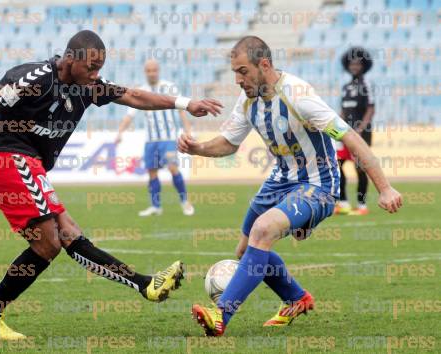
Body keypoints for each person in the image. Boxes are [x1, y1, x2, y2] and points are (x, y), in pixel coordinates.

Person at [0, 30, 223, 340]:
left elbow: (134, 96)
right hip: (5, 159)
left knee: (67, 234)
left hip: (27, 165)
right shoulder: (34, 77)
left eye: (99, 67)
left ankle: (146, 285)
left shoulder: (89, 88)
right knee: (49, 242)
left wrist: (185, 103)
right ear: (70, 59)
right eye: (91, 66)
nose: (96, 74)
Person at [178, 36, 402, 336]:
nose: (237, 79)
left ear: (265, 65)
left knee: (262, 229)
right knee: (245, 250)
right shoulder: (247, 101)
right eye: (234, 72)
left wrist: (385, 188)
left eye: (242, 71)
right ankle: (296, 299)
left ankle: (220, 315)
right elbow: (228, 143)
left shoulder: (298, 95)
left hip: (317, 183)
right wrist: (198, 149)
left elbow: (349, 136)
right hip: (279, 180)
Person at [115, 59, 195, 216]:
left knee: (173, 168)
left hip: (168, 138)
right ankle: (156, 207)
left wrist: (188, 130)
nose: (152, 73)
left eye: (154, 70)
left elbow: (181, 111)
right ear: (145, 72)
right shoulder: (140, 90)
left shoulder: (169, 87)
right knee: (152, 172)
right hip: (150, 140)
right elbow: (129, 115)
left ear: (158, 70)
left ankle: (185, 202)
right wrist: (119, 133)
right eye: (148, 70)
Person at [335, 47, 375, 215]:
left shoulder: (367, 85)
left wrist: (360, 128)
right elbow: (343, 110)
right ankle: (343, 203)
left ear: (363, 66)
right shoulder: (346, 87)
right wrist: (336, 126)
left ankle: (362, 205)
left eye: (358, 64)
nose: (354, 66)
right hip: (344, 133)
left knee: (360, 168)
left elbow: (371, 109)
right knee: (337, 166)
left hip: (360, 134)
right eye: (351, 64)